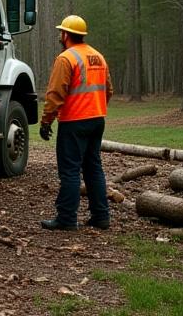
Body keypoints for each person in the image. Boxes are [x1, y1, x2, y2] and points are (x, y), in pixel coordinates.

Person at [39, 15, 113, 231]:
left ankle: (66, 218)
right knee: (93, 168)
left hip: (74, 122)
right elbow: (108, 90)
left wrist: (46, 121)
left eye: (60, 33)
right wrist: (96, 107)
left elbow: (55, 94)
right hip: (97, 119)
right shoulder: (98, 56)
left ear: (65, 34)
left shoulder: (66, 58)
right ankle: (101, 216)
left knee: (70, 171)